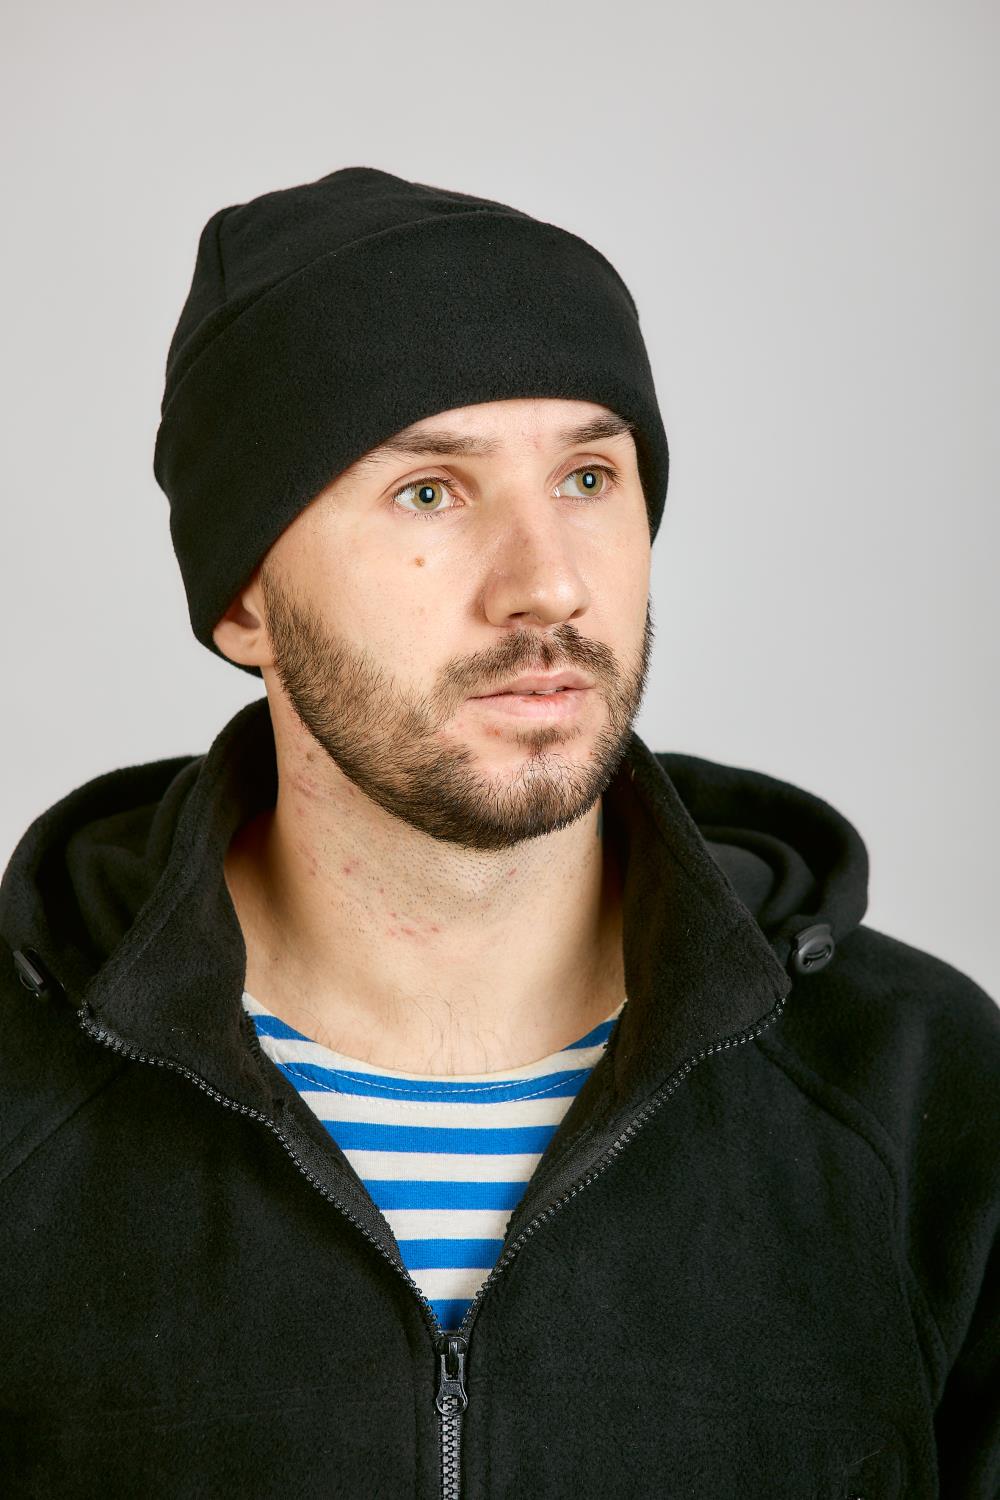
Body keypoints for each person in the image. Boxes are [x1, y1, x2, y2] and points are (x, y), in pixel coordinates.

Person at [1, 166, 996, 1499]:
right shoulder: (23, 1109)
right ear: (245, 600)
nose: (551, 585)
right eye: (430, 490)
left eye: (589, 476)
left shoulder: (925, 1095)